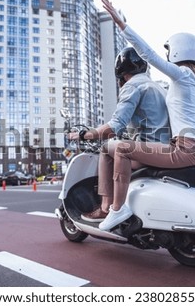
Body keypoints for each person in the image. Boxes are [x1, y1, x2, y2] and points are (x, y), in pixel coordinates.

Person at [96, 0, 195, 231]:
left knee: (121, 149)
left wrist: (122, 25)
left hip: (186, 148)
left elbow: (148, 54)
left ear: (177, 51)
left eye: (169, 50)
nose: (167, 55)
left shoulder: (181, 75)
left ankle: (116, 209)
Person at [68, 47, 171, 222]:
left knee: (106, 149)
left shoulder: (132, 86)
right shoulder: (158, 86)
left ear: (121, 71)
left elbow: (113, 128)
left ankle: (105, 207)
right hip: (167, 147)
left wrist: (85, 134)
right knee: (118, 147)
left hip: (150, 150)